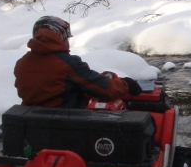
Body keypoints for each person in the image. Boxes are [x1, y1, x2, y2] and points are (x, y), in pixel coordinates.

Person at [14, 16, 142, 107]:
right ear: (60, 36)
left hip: (33, 125)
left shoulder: (21, 64)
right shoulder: (67, 63)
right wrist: (127, 85)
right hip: (67, 125)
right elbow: (105, 90)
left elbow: (51, 90)